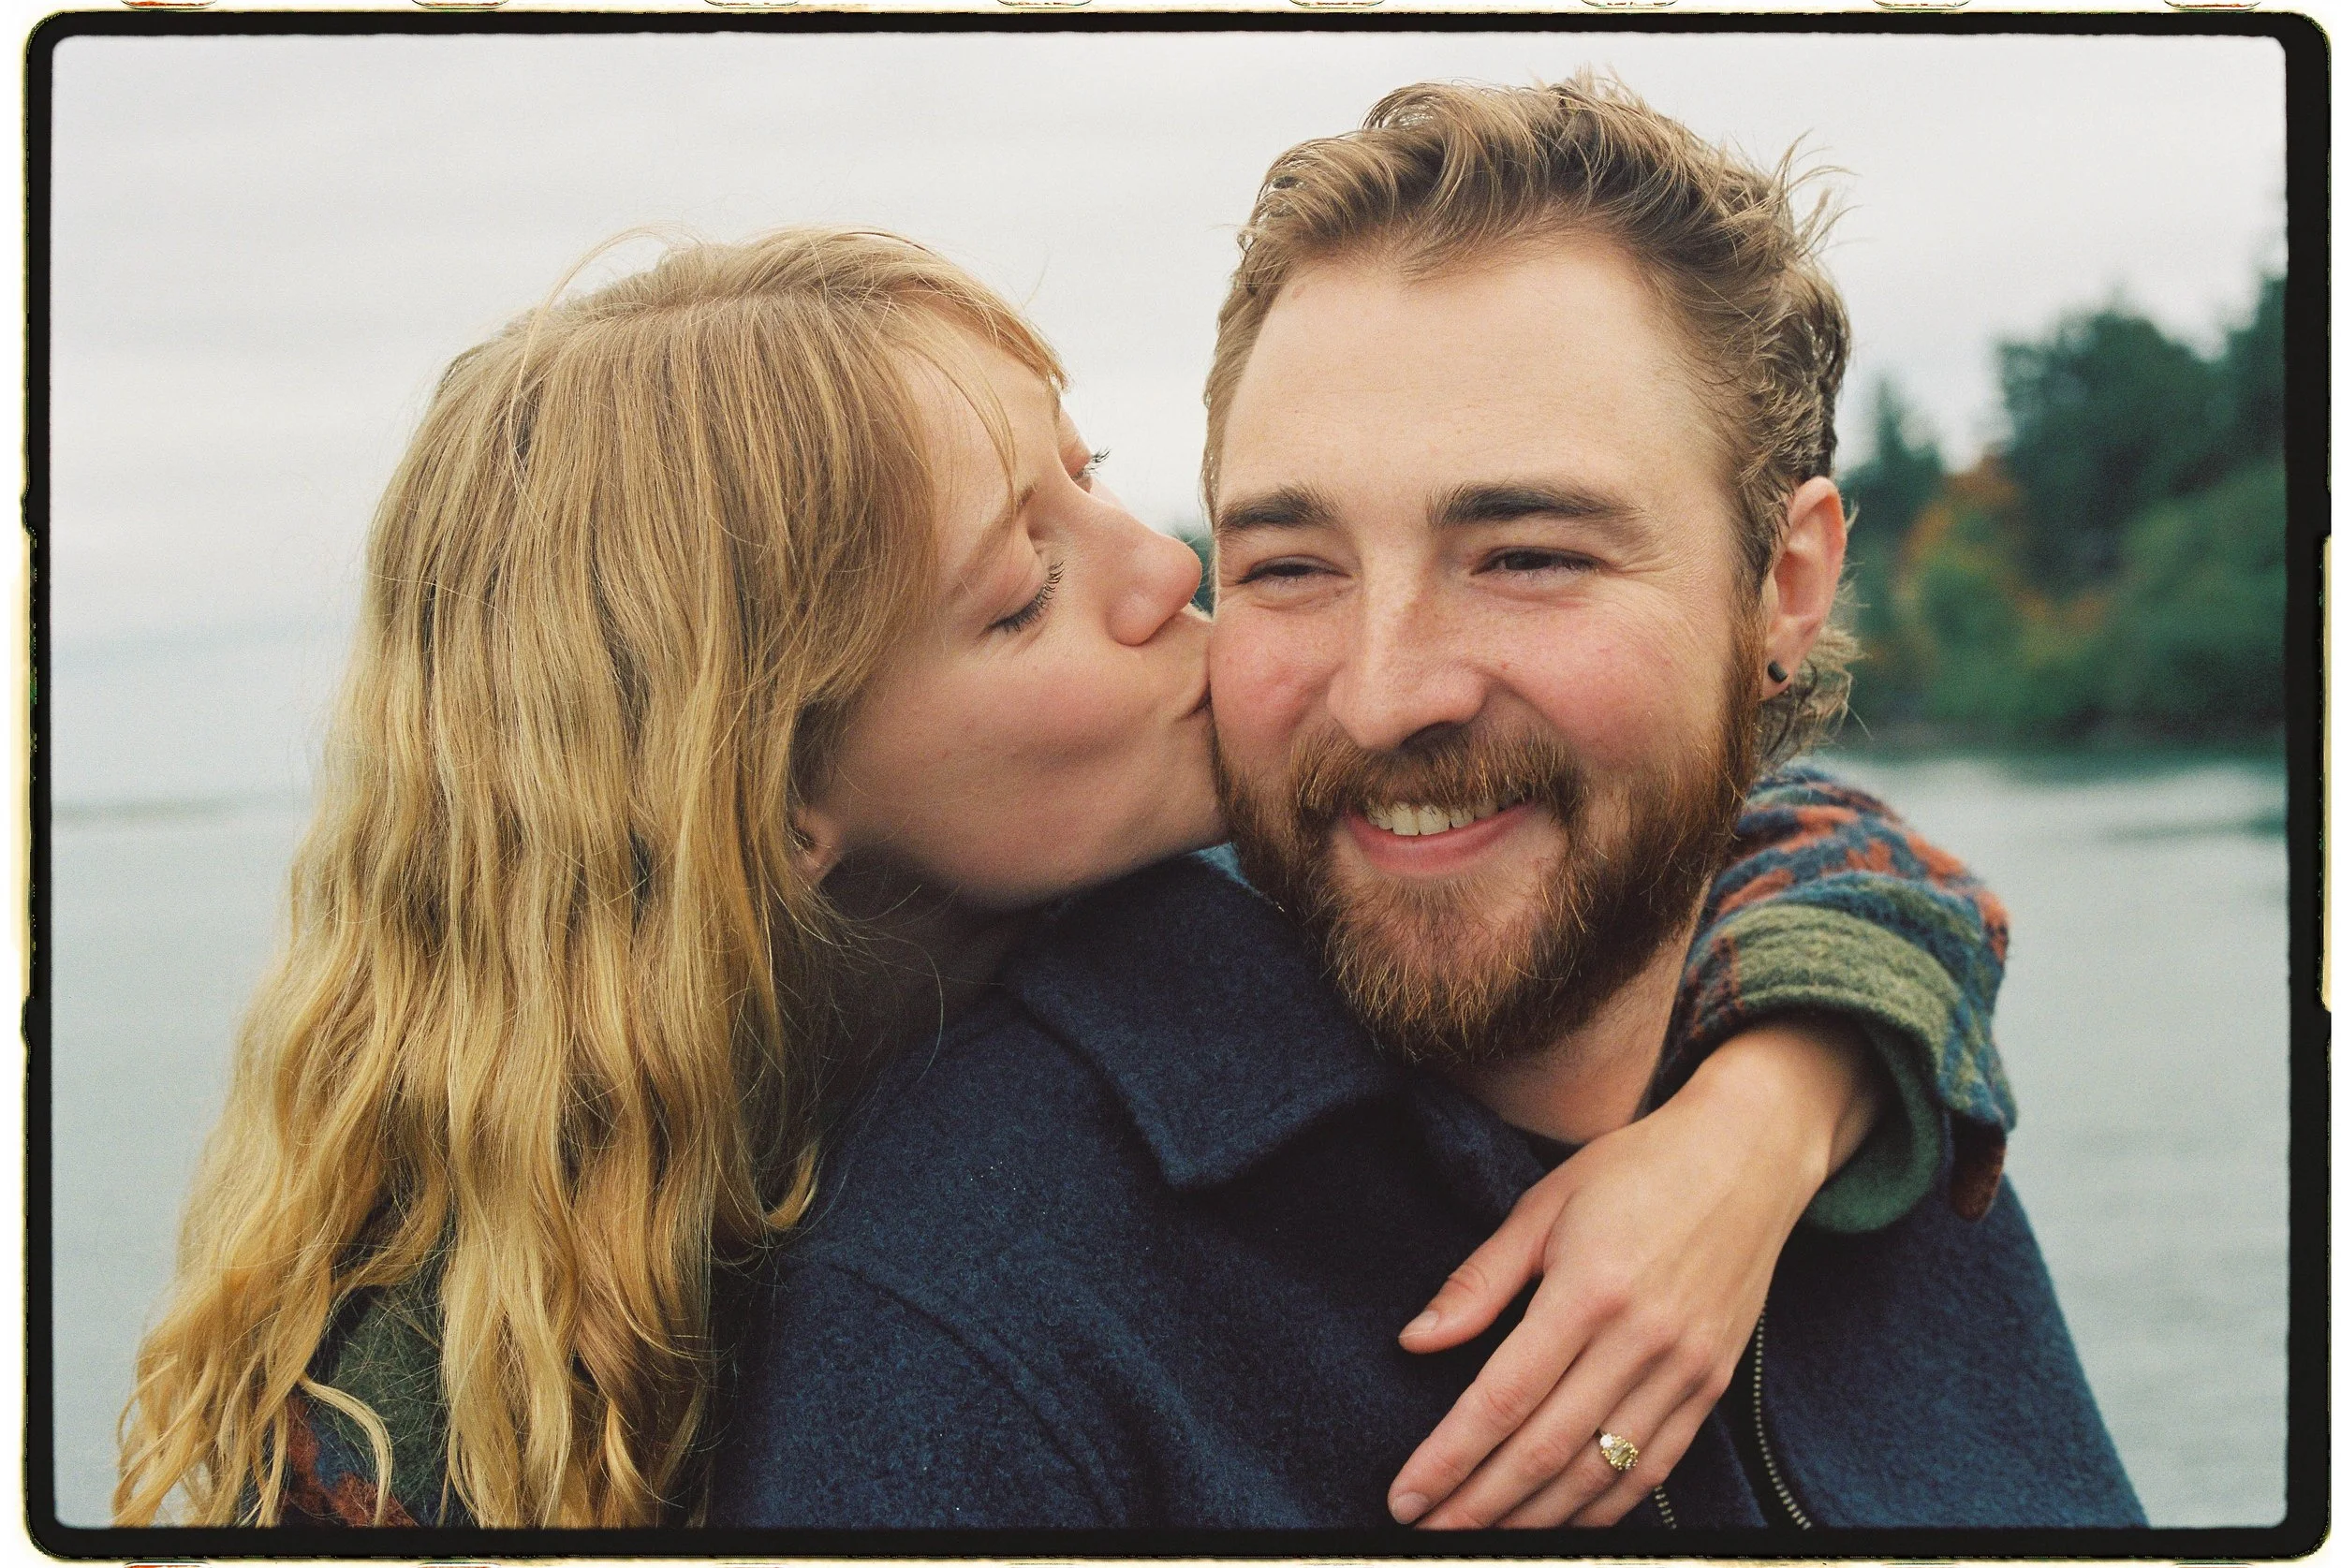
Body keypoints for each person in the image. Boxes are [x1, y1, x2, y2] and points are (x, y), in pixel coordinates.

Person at [116, 213, 2009, 1530]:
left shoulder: (1235, 924)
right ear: (770, 803)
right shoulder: (437, 1392)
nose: (1158, 568)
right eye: (1021, 591)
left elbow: (1799, 838)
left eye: (1087, 476)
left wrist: (1752, 1125)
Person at [711, 78, 2142, 1530]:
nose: (1387, 693)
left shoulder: (1873, 1103)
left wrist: (1780, 1111)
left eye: (1525, 554)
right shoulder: (981, 1309)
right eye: (1288, 564)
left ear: (1784, 582)